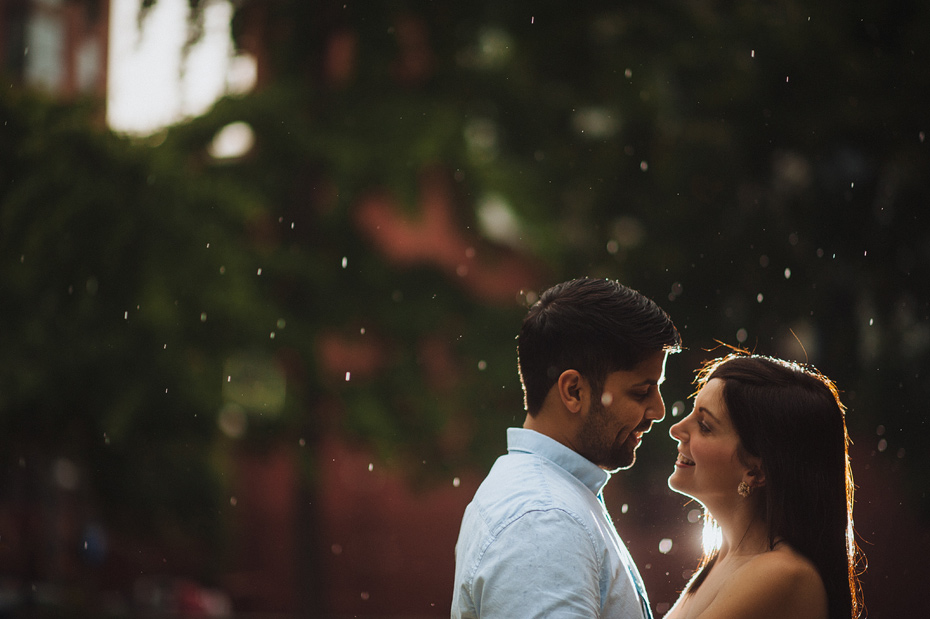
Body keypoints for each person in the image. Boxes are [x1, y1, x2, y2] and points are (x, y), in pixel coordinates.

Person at [451, 277, 681, 618]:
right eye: (641, 391)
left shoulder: (550, 501)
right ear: (574, 391)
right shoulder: (544, 520)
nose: (659, 412)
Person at [665, 353, 864, 619]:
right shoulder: (721, 562)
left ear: (755, 471)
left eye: (705, 426)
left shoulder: (782, 574)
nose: (676, 428)